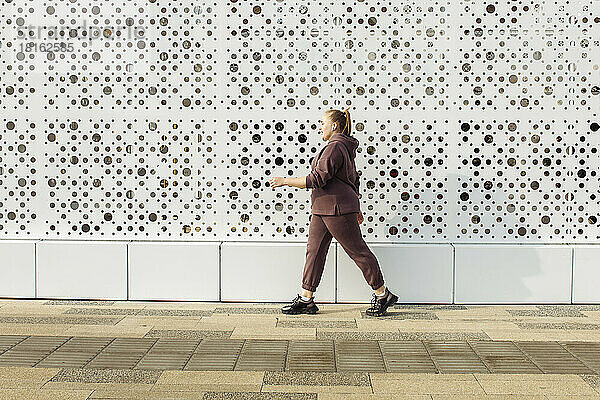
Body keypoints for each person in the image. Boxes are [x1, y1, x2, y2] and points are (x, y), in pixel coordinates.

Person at [269, 108, 398, 317]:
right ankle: (306, 298)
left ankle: (383, 295)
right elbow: (352, 179)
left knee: (358, 251)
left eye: (322, 122)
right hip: (323, 208)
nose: (320, 126)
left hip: (337, 209)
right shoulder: (337, 147)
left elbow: (316, 179)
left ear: (335, 125)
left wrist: (285, 181)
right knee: (314, 252)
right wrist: (357, 206)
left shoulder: (336, 147)